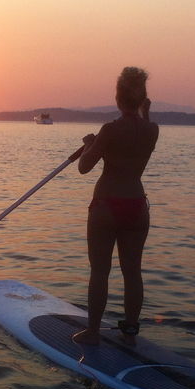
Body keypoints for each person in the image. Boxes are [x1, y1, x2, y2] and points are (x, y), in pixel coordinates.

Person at [72, 67, 158, 347]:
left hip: (107, 205)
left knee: (100, 271)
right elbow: (141, 126)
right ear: (142, 98)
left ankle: (93, 332)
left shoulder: (109, 130)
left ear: (118, 98)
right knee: (133, 271)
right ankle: (130, 331)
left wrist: (90, 144)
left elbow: (84, 167)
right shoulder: (152, 130)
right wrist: (145, 112)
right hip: (136, 204)